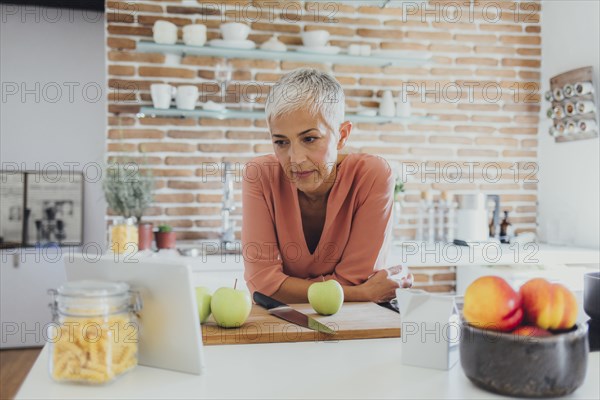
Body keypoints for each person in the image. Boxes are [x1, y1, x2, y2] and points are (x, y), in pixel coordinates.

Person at [242, 68, 413, 304]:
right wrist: (360, 294)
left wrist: (283, 286)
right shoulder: (259, 175)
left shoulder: (372, 175)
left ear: (342, 135)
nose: (296, 158)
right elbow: (262, 285)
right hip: (283, 323)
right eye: (281, 142)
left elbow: (353, 279)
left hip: (353, 323)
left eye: (310, 139)